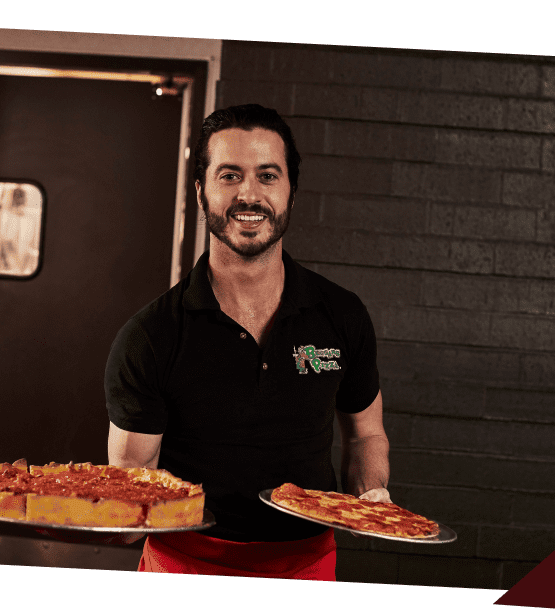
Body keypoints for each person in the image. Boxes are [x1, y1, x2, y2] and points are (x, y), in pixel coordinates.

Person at [104, 104, 390, 580]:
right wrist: (78, 515)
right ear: (201, 192)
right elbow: (134, 504)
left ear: (291, 192)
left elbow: (366, 434)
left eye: (267, 176)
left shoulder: (342, 316)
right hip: (184, 567)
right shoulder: (150, 337)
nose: (249, 194)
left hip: (306, 567)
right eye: (230, 175)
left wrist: (372, 499)